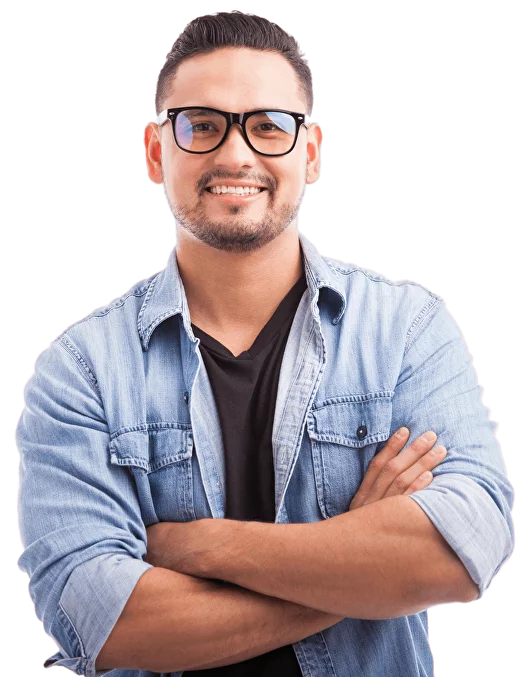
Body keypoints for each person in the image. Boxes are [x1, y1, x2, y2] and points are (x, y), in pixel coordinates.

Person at [15, 9, 516, 677]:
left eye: (269, 126)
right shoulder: (81, 371)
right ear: (157, 152)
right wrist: (357, 566)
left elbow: (463, 549)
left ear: (310, 153)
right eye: (201, 125)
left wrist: (201, 546)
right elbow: (105, 623)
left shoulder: (404, 332)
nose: (235, 155)